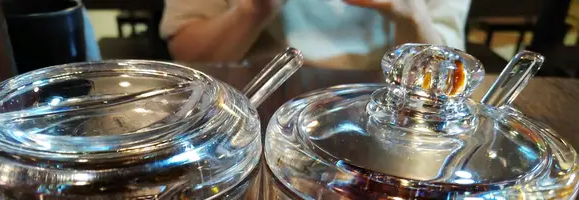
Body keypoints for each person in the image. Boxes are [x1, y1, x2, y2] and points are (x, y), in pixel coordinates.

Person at [160, 0, 471, 69]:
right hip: (258, 108)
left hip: (392, 111)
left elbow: (447, 69)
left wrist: (408, 10)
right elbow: (189, 55)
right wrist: (254, 8)